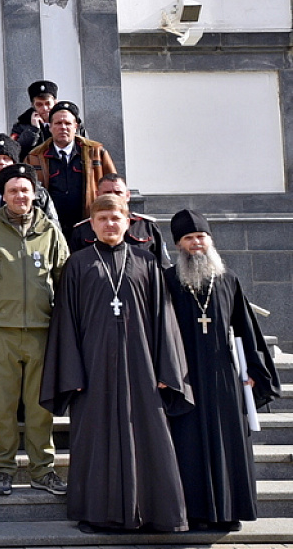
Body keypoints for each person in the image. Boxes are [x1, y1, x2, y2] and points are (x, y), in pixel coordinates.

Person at [40, 194, 192, 533]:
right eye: (103, 218)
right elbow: (65, 322)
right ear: (92, 225)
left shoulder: (147, 262)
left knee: (149, 436)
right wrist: (71, 372)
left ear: (128, 222)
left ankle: (155, 513)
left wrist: (167, 370)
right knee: (96, 438)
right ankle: (98, 513)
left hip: (142, 368)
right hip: (93, 370)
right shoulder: (78, 264)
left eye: (116, 218)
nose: (110, 224)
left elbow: (163, 320)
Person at [165, 209, 280, 531]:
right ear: (179, 245)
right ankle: (196, 513)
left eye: (201, 236)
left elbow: (246, 329)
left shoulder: (229, 280)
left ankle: (230, 511)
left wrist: (256, 370)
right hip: (184, 377)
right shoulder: (168, 280)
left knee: (228, 444)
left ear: (210, 240)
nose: (196, 243)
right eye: (188, 238)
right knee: (190, 446)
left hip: (224, 376)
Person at [0, 163, 70, 498]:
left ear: (35, 194)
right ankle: (3, 469)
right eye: (13, 190)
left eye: (25, 189)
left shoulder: (50, 232)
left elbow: (64, 280)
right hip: (0, 329)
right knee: (4, 405)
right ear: (3, 194)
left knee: (40, 406)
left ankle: (43, 470)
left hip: (42, 329)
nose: (20, 195)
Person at [25, 101, 117, 242]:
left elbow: (113, 189)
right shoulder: (35, 157)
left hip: (89, 228)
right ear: (50, 127)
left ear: (76, 126)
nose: (63, 128)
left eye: (68, 124)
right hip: (50, 230)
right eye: (58, 123)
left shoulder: (96, 152)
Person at [69, 173, 169, 266]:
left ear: (127, 196)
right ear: (97, 195)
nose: (113, 196)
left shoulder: (147, 227)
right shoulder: (82, 230)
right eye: (107, 192)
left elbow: (162, 265)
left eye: (118, 193)